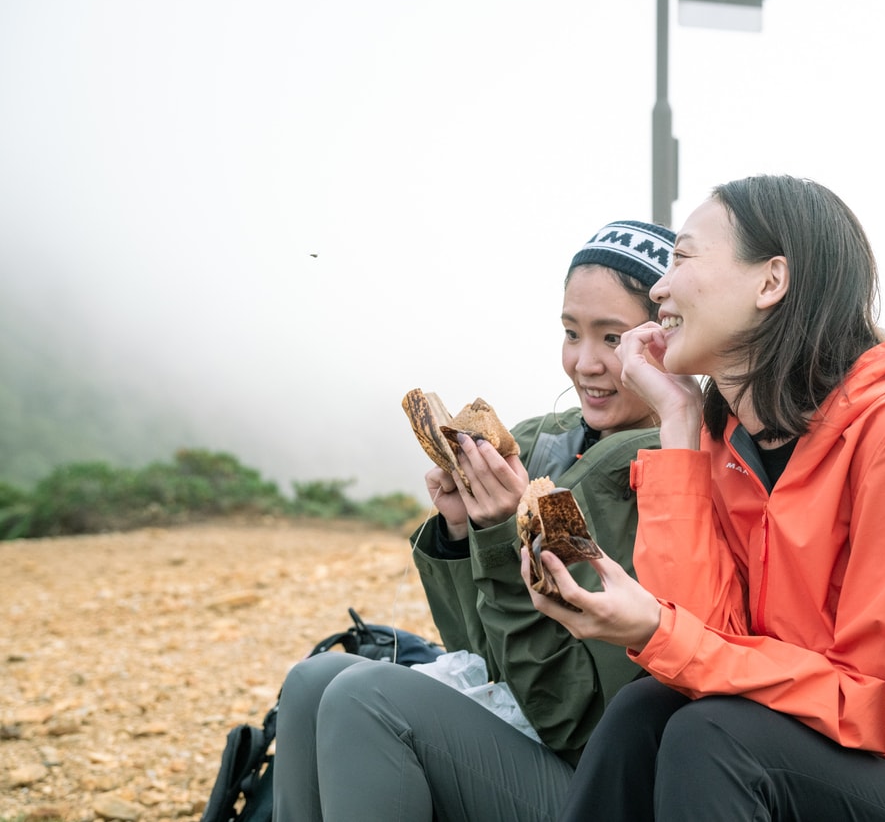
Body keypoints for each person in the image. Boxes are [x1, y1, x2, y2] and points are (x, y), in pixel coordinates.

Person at [523, 175, 885, 821]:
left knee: (712, 737)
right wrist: (678, 425)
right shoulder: (726, 438)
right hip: (835, 756)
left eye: (682, 258)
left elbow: (872, 700)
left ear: (771, 281)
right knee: (647, 711)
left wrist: (658, 627)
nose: (659, 288)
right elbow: (708, 648)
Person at [271, 219, 677, 821]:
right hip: (528, 740)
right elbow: (479, 663)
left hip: (599, 783)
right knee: (314, 680)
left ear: (665, 338)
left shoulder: (663, 470)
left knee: (368, 697)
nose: (585, 363)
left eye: (612, 337)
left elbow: (576, 723)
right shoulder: (543, 444)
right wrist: (463, 534)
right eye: (570, 332)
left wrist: (498, 539)